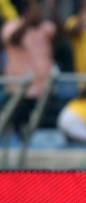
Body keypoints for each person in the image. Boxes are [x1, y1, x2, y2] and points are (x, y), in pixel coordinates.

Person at [1, 0, 56, 137]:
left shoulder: (45, 27)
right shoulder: (11, 26)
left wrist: (53, 8)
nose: (40, 11)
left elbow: (60, 35)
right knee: (18, 129)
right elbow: (14, 39)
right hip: (19, 92)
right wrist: (28, 20)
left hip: (44, 90)